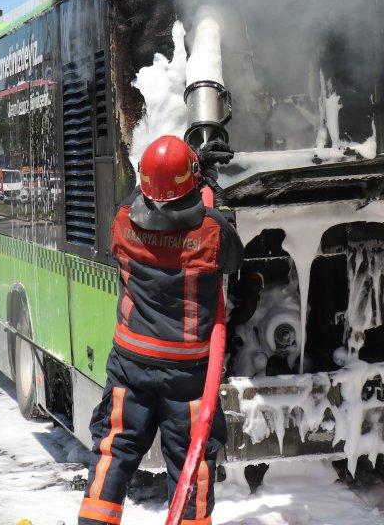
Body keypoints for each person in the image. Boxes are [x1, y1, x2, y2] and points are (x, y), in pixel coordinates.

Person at [78, 135, 242, 525]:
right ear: (192, 180)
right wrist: (208, 184)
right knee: (191, 462)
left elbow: (145, 198)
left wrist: (180, 175)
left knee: (114, 451)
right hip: (187, 374)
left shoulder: (122, 220)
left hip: (130, 363)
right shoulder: (212, 231)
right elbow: (233, 257)